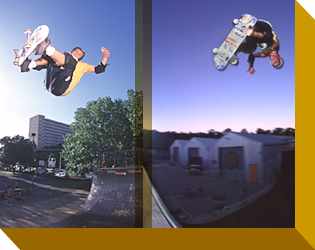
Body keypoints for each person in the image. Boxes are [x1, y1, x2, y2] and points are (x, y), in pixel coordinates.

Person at [19, 38, 111, 96]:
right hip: (49, 83)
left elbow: (99, 69)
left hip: (61, 89)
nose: (77, 53)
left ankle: (46, 48)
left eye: (79, 54)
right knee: (52, 60)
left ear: (81, 58)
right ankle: (28, 65)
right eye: (75, 51)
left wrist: (105, 57)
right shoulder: (63, 56)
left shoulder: (83, 66)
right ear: (72, 51)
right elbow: (47, 64)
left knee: (70, 62)